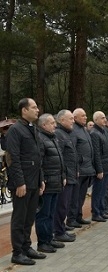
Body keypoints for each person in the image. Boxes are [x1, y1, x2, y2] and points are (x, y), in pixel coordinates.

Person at [6, 98, 46, 265]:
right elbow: (12, 158)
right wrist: (19, 182)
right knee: (19, 218)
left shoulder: (33, 129)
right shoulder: (15, 130)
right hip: (22, 183)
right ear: (24, 110)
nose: (37, 110)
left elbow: (37, 157)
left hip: (34, 182)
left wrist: (41, 179)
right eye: (34, 107)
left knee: (29, 218)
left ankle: (27, 246)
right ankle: (17, 252)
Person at [35, 114, 66, 253]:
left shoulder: (53, 138)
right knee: (43, 214)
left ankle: (50, 238)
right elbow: (39, 163)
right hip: (47, 183)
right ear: (44, 125)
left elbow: (60, 160)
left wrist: (63, 175)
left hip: (56, 182)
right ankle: (43, 242)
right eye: (52, 123)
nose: (55, 125)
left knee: (51, 213)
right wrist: (42, 180)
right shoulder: (41, 139)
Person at [66, 108, 95, 228]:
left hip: (87, 169)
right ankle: (71, 219)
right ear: (75, 117)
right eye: (83, 116)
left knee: (82, 196)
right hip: (79, 170)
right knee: (75, 197)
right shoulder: (73, 131)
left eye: (86, 115)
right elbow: (72, 150)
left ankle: (78, 216)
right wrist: (78, 164)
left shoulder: (84, 130)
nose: (85, 117)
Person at [53, 109, 78, 243]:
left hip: (71, 174)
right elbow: (60, 157)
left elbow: (72, 155)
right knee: (61, 205)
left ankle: (61, 228)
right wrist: (63, 175)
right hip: (65, 176)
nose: (73, 121)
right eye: (70, 119)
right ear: (62, 120)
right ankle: (58, 231)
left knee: (66, 204)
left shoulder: (66, 134)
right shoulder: (59, 134)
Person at [90, 111, 108, 222]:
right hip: (101, 168)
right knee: (98, 191)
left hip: (106, 166)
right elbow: (97, 153)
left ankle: (102, 210)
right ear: (96, 120)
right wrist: (99, 170)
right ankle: (96, 212)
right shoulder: (94, 133)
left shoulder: (103, 132)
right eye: (102, 118)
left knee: (103, 191)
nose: (105, 120)